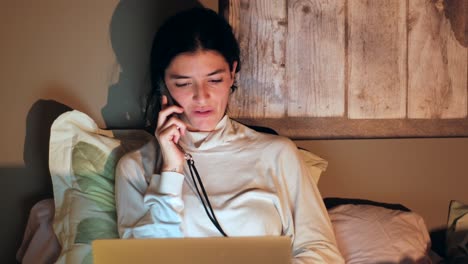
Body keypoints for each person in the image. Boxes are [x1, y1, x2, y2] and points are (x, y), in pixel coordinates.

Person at [115, 7, 344, 263]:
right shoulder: (135, 169)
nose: (202, 97)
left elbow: (322, 253)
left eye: (214, 80)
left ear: (232, 72)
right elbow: (142, 260)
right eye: (183, 83)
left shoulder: (277, 154)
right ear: (163, 83)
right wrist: (170, 172)